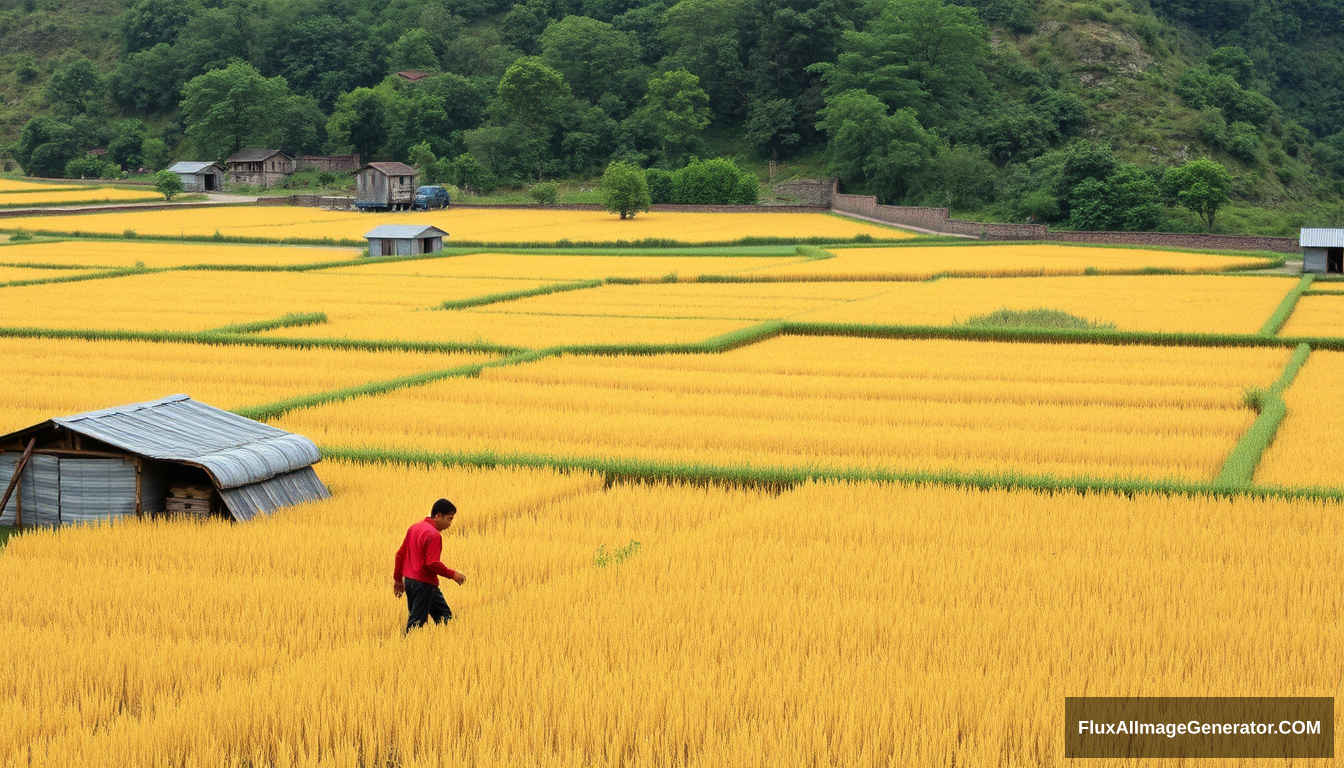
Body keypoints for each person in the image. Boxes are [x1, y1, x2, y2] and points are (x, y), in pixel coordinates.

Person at [393, 498, 467, 633]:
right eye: (449, 519)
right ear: (438, 516)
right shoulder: (434, 535)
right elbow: (432, 563)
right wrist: (453, 575)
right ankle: (408, 649)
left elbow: (399, 555)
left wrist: (398, 580)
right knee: (416, 624)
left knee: (445, 617)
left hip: (411, 582)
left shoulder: (414, 528)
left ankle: (443, 645)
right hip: (424, 584)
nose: (450, 524)